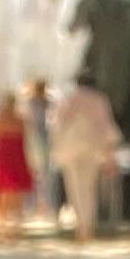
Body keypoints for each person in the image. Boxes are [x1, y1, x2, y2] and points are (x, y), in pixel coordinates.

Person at [51, 71, 120, 236]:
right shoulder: (99, 100)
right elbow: (106, 127)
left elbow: (58, 123)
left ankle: (81, 224)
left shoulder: (69, 99)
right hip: (93, 149)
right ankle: (88, 224)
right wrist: (110, 155)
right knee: (89, 187)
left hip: (71, 149)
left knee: (75, 186)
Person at [0, 87, 34, 237]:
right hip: (12, 158)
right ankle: (12, 227)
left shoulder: (1, 120)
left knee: (6, 194)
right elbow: (26, 142)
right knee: (12, 194)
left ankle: (6, 228)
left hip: (7, 158)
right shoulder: (18, 120)